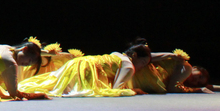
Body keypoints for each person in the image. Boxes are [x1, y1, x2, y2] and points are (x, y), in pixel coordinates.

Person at [17, 38, 152, 97]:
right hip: (86, 69)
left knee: (50, 82)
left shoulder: (117, 54)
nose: (142, 67)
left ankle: (18, 88)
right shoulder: (128, 66)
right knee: (55, 86)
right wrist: (134, 91)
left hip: (78, 62)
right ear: (134, 55)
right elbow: (117, 89)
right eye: (143, 62)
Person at [133, 49, 220, 94]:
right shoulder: (186, 66)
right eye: (200, 76)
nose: (196, 81)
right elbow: (172, 88)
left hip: (137, 78)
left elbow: (209, 87)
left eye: (198, 83)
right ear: (195, 68)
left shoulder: (183, 80)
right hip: (138, 71)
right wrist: (198, 89)